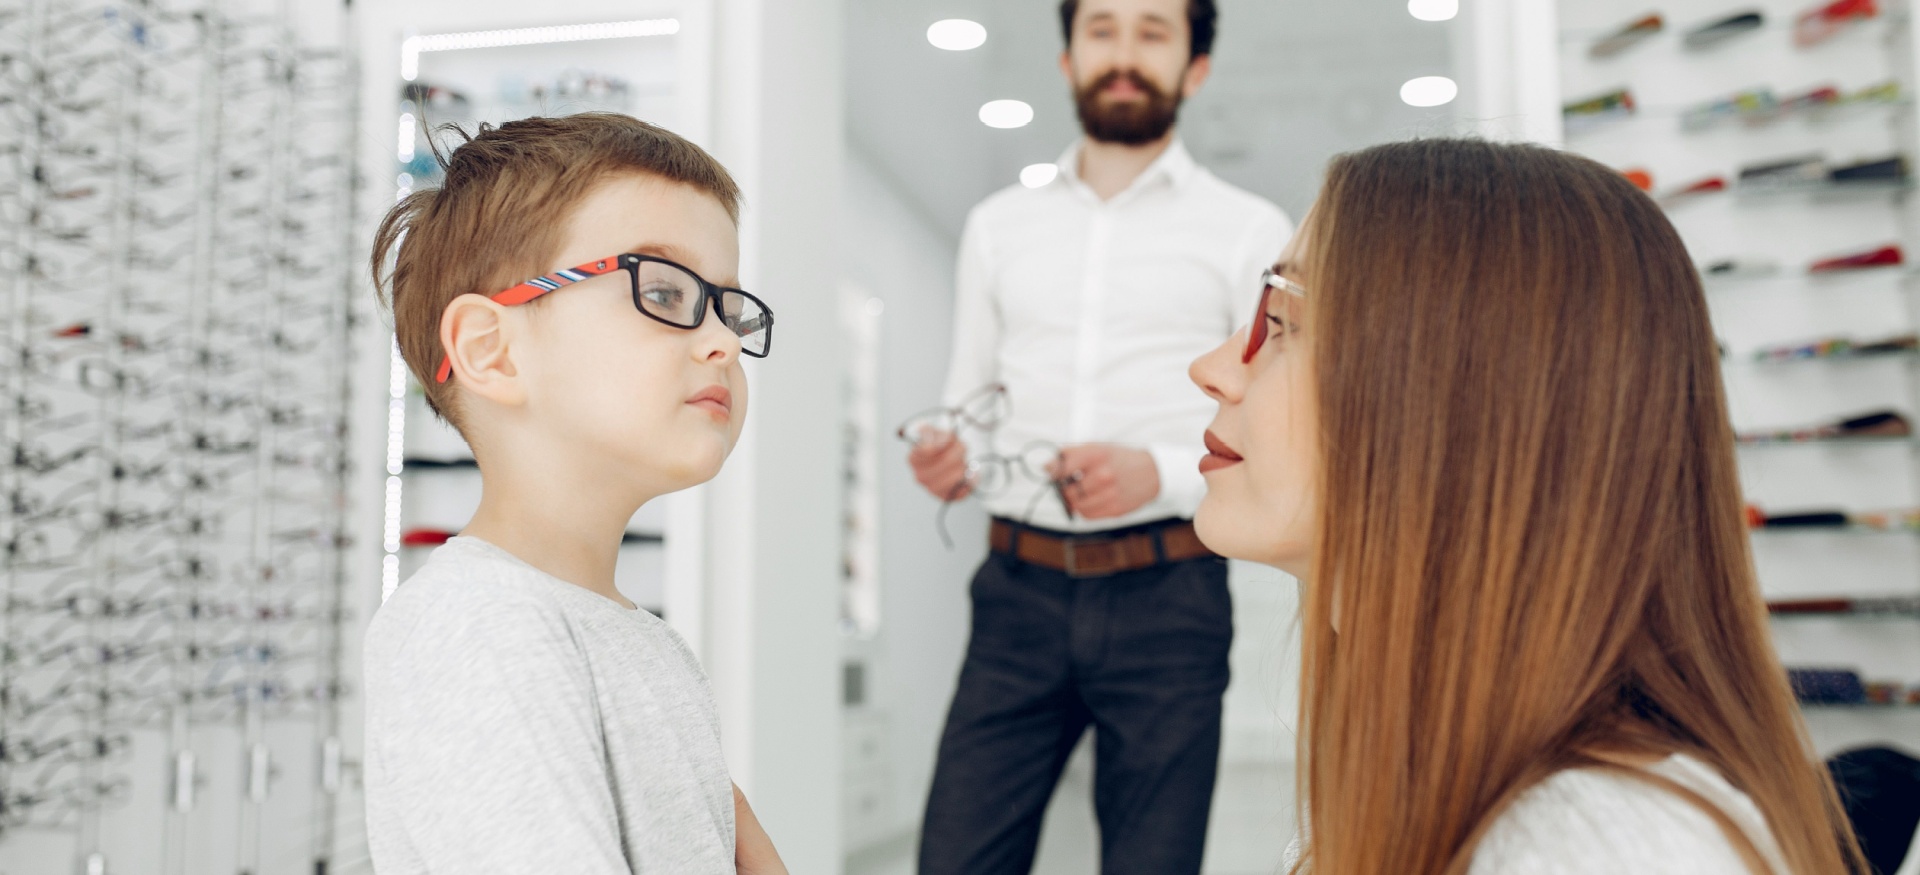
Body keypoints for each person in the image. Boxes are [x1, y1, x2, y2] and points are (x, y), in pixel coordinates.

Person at [1187, 138, 1864, 873]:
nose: (1214, 368)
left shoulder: (1600, 845)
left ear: (1463, 398)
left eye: (1282, 321)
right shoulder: (1448, 779)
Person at [907, 1, 1290, 872]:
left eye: (1153, 32)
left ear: (1195, 68)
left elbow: (1273, 435)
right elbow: (965, 398)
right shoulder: (998, 227)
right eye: (1103, 30)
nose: (1124, 53)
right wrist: (945, 450)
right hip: (1015, 592)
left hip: (1172, 598)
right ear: (1066, 58)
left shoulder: (1250, 231)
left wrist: (1154, 473)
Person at [361, 113, 787, 875]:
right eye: (664, 289)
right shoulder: (475, 629)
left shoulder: (645, 644)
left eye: (730, 304)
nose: (722, 338)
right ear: (491, 350)